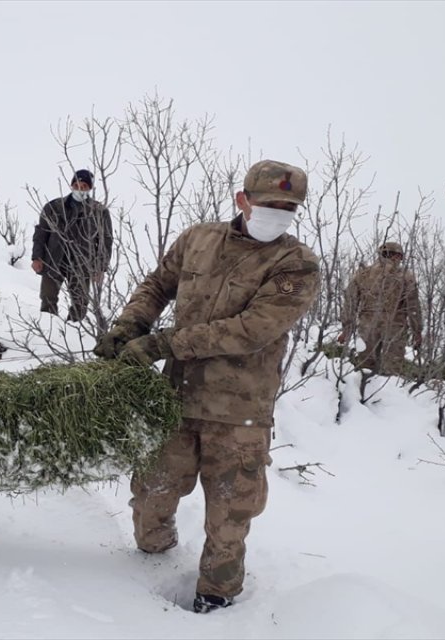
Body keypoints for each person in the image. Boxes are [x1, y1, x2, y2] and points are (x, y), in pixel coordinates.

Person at [93, 160, 320, 614]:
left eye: (288, 208)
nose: (278, 214)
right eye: (269, 205)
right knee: (152, 494)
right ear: (242, 200)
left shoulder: (296, 264)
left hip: (239, 414)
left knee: (230, 515)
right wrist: (130, 325)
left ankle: (216, 596)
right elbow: (157, 285)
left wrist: (163, 343)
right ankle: (152, 561)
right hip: (175, 401)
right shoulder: (198, 239)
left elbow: (252, 329)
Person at [31, 169, 113, 322]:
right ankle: (48, 327)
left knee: (80, 302)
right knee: (47, 297)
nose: (79, 189)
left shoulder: (99, 212)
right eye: (76, 185)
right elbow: (41, 234)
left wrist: (100, 267)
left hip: (82, 263)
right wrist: (37, 257)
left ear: (90, 188)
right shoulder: (54, 207)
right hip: (54, 260)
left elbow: (105, 241)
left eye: (84, 186)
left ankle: (73, 330)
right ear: (71, 185)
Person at [337, 241, 422, 375]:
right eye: (399, 256)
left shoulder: (363, 274)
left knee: (364, 368)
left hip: (367, 327)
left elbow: (350, 303)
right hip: (394, 328)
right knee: (392, 371)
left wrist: (346, 328)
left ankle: (362, 387)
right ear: (397, 256)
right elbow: (413, 307)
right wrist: (417, 331)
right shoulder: (405, 276)